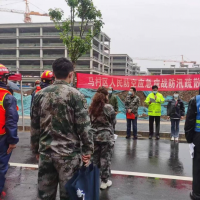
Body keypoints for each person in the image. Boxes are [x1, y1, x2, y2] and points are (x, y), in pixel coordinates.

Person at [31, 58, 93, 200]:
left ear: (53, 73)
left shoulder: (40, 95)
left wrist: (35, 149)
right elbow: (84, 126)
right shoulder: (75, 95)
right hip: (69, 156)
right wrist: (88, 150)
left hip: (46, 154)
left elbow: (34, 126)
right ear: (71, 74)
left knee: (45, 195)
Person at [89, 86, 116, 190]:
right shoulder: (108, 107)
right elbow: (113, 122)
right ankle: (104, 181)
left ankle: (92, 180)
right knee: (105, 159)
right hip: (105, 136)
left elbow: (89, 121)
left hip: (93, 136)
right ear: (105, 96)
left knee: (94, 159)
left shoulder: (91, 107)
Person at [0, 64, 19, 200]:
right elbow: (11, 120)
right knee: (1, 166)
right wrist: (12, 141)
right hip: (2, 137)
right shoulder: (7, 97)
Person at [185, 87, 200, 200]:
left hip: (198, 136)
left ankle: (197, 194)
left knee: (198, 166)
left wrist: (189, 140)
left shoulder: (195, 100)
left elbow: (190, 121)